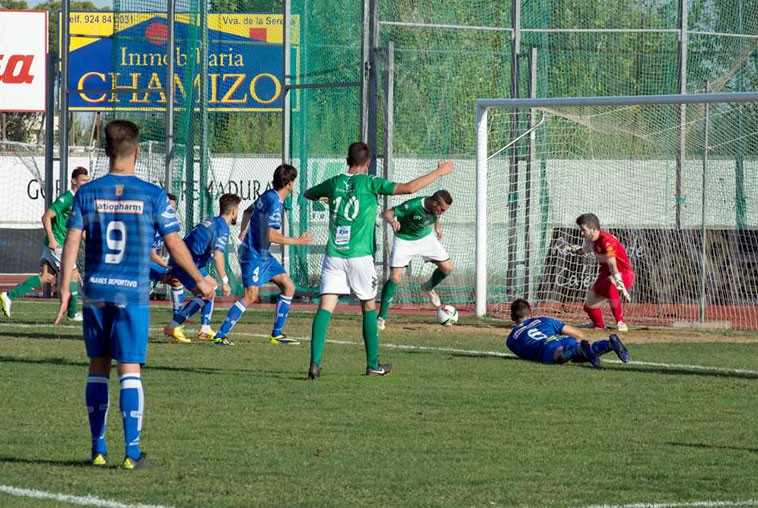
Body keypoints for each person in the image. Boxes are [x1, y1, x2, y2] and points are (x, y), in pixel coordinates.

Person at [53, 120, 214, 469]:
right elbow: (173, 244)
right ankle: (132, 452)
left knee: (97, 366)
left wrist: (65, 287)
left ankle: (97, 449)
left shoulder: (87, 193)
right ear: (137, 151)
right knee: (129, 370)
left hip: (95, 291)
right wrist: (199, 279)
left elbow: (72, 241)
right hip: (132, 294)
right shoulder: (152, 195)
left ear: (106, 151)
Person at [303, 141, 453, 379]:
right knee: (368, 307)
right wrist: (439, 172)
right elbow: (409, 188)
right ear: (368, 162)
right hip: (359, 256)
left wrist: (327, 198)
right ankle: (373, 365)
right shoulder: (370, 182)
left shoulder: (334, 182)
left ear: (347, 160)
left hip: (334, 255)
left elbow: (308, 193)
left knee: (325, 308)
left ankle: (314, 363)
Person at [213, 164, 313, 345]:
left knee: (288, 286)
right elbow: (271, 235)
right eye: (293, 181)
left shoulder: (268, 195)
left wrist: (243, 231)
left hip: (262, 254)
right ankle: (220, 335)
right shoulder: (274, 202)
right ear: (289, 184)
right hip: (253, 255)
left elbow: (247, 211)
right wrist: (298, 241)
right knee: (251, 295)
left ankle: (277, 334)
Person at [1, 167, 90, 320]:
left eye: (87, 181)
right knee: (73, 275)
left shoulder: (79, 200)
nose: (86, 183)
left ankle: (8, 296)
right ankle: (72, 313)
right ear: (73, 181)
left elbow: (78, 228)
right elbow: (46, 217)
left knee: (47, 277)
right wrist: (52, 239)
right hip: (58, 244)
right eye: (83, 180)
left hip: (57, 244)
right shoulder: (67, 198)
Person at [163, 193, 241, 345]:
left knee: (211, 286)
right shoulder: (222, 228)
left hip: (186, 260)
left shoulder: (212, 221)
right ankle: (174, 325)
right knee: (207, 292)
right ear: (233, 212)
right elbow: (218, 256)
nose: (237, 213)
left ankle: (205, 328)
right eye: (237, 209)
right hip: (185, 263)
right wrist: (225, 281)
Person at [377, 190, 453, 330]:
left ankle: (428, 287)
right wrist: (393, 221)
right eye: (442, 209)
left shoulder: (436, 210)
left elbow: (436, 216)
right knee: (395, 278)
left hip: (426, 239)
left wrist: (437, 228)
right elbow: (388, 213)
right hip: (404, 240)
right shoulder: (412, 205)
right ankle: (381, 318)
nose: (442, 212)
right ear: (434, 203)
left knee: (447, 268)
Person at [507, 298, 629, 368]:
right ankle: (608, 344)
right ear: (531, 313)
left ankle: (579, 350)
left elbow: (526, 355)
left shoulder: (511, 339)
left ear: (512, 317)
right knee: (581, 352)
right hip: (562, 339)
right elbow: (579, 335)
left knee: (559, 354)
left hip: (545, 346)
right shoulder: (544, 320)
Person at [569, 213, 634, 332]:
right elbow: (583, 250)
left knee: (610, 284)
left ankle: (621, 322)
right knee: (589, 307)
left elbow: (612, 264)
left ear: (593, 229)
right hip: (605, 273)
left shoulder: (606, 241)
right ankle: (598, 325)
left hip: (623, 273)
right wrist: (575, 250)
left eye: (583, 230)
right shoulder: (589, 241)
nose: (581, 233)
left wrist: (618, 281)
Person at [148, 193, 185, 314]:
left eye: (174, 208)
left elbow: (163, 248)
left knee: (176, 278)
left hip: (151, 263)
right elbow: (152, 255)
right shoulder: (151, 224)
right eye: (170, 207)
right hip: (140, 263)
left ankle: (178, 316)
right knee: (176, 277)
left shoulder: (166, 225)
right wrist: (168, 267)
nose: (172, 210)